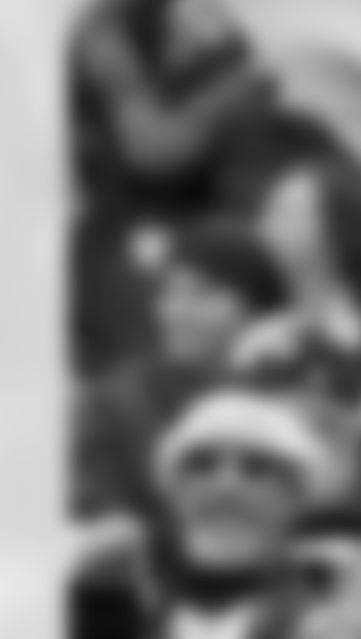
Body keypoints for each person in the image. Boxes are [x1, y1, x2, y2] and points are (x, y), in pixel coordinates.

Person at [73, 387, 361, 639]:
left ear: (297, 497)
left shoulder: (353, 609)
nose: (227, 484)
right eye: (201, 464)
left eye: (257, 467)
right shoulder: (113, 612)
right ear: (173, 491)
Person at [75, 222, 290, 519]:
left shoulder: (288, 391)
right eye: (170, 292)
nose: (178, 312)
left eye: (203, 294)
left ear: (256, 308)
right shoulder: (117, 404)